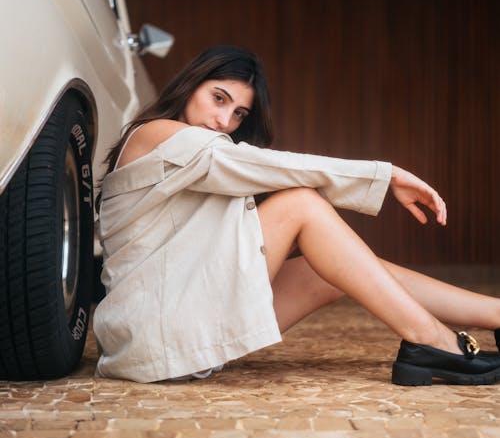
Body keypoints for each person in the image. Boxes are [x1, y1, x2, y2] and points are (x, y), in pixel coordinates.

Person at [93, 45, 500, 386]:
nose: (224, 121)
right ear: (189, 86)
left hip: (177, 332)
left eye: (238, 114)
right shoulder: (155, 133)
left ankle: (493, 313)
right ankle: (431, 341)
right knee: (302, 203)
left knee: (324, 269)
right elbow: (259, 165)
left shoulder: (204, 151)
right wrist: (385, 174)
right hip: (157, 333)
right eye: (218, 98)